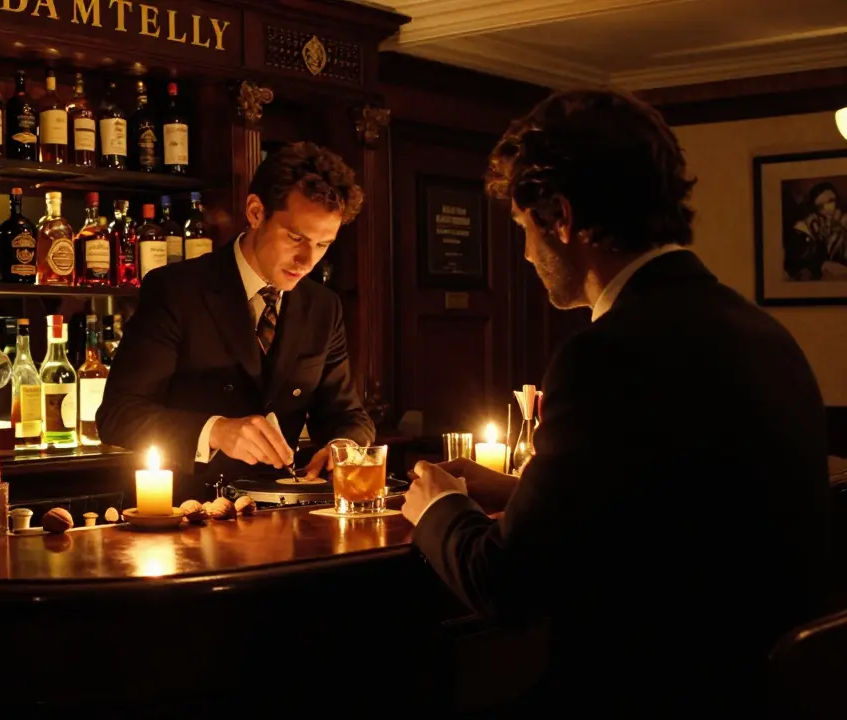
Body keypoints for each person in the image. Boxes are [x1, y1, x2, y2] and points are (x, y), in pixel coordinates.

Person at [401, 89, 832, 714]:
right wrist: (510, 494)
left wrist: (437, 506)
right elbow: (665, 506)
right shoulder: (762, 333)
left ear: (561, 218)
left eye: (524, 230)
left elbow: (506, 586)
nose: (524, 254)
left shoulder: (605, 356)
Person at [96, 141, 374, 484]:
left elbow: (347, 415)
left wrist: (344, 446)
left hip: (284, 512)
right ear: (256, 212)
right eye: (295, 238)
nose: (307, 261)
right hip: (190, 514)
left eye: (323, 245)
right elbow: (117, 416)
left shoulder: (323, 306)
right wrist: (216, 431)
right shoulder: (177, 290)